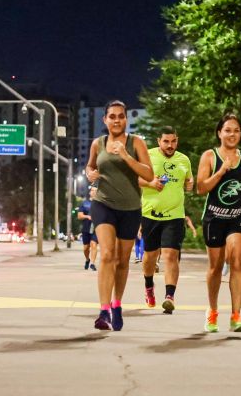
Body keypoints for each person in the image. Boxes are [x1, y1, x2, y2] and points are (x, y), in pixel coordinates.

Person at [86, 100, 154, 331]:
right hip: (103, 204)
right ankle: (104, 310)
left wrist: (125, 155)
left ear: (126, 119)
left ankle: (116, 305)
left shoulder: (137, 143)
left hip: (130, 208)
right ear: (105, 120)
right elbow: (90, 167)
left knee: (122, 261)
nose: (116, 120)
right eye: (112, 116)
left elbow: (148, 173)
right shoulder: (98, 143)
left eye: (120, 116)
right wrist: (90, 174)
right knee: (106, 254)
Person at [197, 113, 241, 332]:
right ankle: (212, 311)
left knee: (236, 260)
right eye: (227, 130)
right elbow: (201, 188)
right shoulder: (209, 156)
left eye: (236, 130)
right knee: (215, 268)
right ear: (219, 133)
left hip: (238, 216)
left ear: (240, 134)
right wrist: (222, 171)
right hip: (214, 217)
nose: (232, 134)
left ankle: (236, 316)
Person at [139, 126, 194, 314]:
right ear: (158, 141)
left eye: (173, 141)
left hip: (175, 215)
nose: (170, 145)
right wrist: (150, 183)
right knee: (150, 257)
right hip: (150, 214)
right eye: (166, 141)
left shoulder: (184, 160)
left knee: (170, 255)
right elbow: (134, 178)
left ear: (177, 140)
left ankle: (169, 297)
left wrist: (190, 184)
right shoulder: (147, 156)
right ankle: (148, 285)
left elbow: (188, 181)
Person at [77, 184, 99, 271]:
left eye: (96, 191)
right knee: (86, 247)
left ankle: (92, 263)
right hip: (86, 228)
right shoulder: (84, 203)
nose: (94, 192)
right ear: (90, 192)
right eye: (93, 190)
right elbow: (79, 216)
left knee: (94, 244)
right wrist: (87, 217)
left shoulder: (100, 204)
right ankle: (87, 259)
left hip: (96, 228)